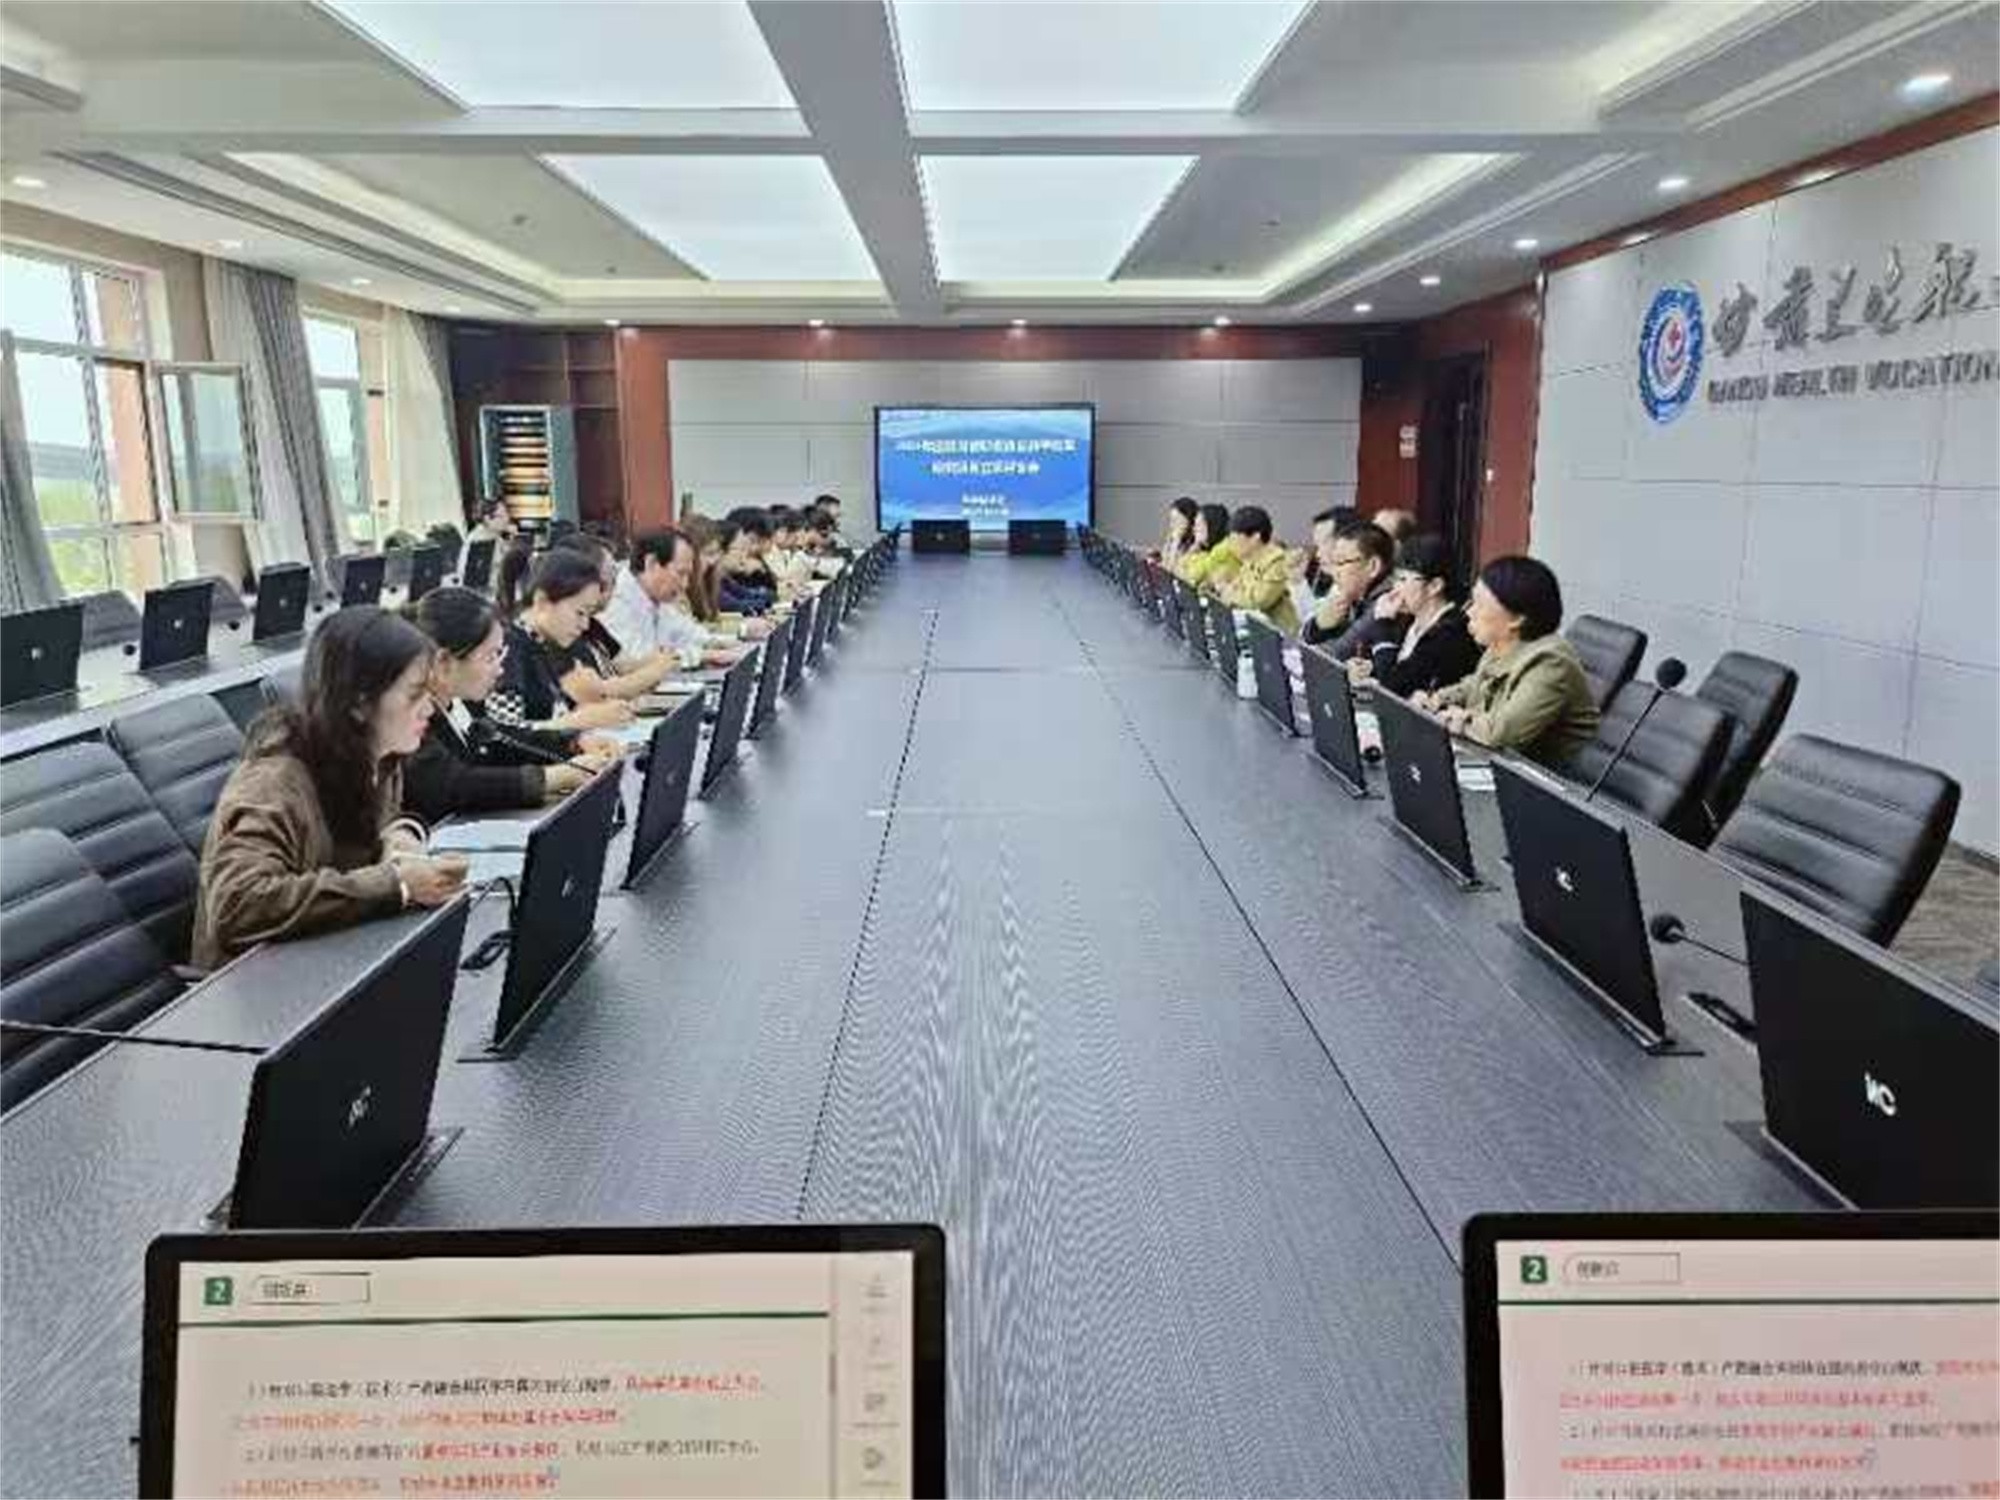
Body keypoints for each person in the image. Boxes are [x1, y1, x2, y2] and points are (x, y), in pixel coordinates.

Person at [192, 607, 467, 969]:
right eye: (414, 694)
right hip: (255, 983)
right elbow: (238, 904)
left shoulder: (379, 756)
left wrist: (400, 836)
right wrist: (395, 883)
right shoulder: (274, 783)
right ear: (359, 704)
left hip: (332, 955)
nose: (429, 708)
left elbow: (376, 828)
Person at [402, 587, 619, 824]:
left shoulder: (458, 703)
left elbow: (500, 739)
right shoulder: (410, 718)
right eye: (490, 657)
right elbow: (454, 784)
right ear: (444, 662)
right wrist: (555, 778)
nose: (499, 670)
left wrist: (572, 743)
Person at [1414, 555, 1600, 768]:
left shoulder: (1551, 661)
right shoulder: (1502, 642)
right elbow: (1473, 686)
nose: (1469, 612)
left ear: (1517, 618)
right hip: (1504, 763)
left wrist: (1449, 718)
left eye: (1479, 605)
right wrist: (1436, 700)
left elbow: (1501, 734)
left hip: (1552, 778)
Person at [488, 549, 635, 734]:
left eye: (589, 615)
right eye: (580, 613)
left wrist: (587, 723)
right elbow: (502, 734)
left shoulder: (544, 644)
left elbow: (553, 715)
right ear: (542, 602)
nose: (585, 625)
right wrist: (576, 722)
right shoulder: (506, 650)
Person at [546, 532, 680, 702]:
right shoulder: (565, 636)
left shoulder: (594, 625)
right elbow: (605, 691)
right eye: (611, 575)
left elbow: (624, 665)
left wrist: (659, 659)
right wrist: (656, 670)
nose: (615, 583)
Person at [1345, 534, 1480, 697]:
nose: (1395, 589)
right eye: (1395, 579)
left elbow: (1392, 689)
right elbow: (1401, 669)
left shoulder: (1450, 634)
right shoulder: (1411, 620)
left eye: (1403, 579)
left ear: (1434, 586)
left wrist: (1383, 626)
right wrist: (1371, 669)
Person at [599, 529, 746, 668]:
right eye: (680, 573)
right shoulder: (615, 598)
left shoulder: (656, 596)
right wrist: (702, 656)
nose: (685, 584)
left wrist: (720, 643)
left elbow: (685, 631)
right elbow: (636, 659)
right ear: (651, 563)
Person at [1302, 521, 1397, 653]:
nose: (1335, 572)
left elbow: (1336, 651)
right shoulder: (1355, 595)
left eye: (1341, 562)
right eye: (1334, 562)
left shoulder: (1388, 601)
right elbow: (1307, 637)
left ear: (1373, 566)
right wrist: (1319, 624)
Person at [1211, 505, 1301, 633]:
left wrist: (1228, 591)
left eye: (1234, 539)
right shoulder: (1249, 561)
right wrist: (1228, 590)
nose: (1230, 545)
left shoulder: (1277, 561)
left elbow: (1258, 601)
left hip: (1280, 634)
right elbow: (1234, 589)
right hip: (1255, 630)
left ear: (1255, 537)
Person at [1287, 506, 1347, 625]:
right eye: (1317, 545)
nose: (1317, 554)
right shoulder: (1337, 586)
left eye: (1323, 544)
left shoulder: (1355, 593)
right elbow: (1311, 618)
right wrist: (1298, 581)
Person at [717, 510, 782, 615]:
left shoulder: (725, 579)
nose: (744, 555)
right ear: (721, 552)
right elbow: (736, 605)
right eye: (741, 549)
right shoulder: (712, 581)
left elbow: (769, 594)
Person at [1175, 503, 1238, 589]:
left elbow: (1192, 575)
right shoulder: (1206, 551)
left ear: (1212, 525)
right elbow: (1179, 570)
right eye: (1195, 525)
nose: (1194, 529)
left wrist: (1193, 547)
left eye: (1199, 525)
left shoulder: (1224, 548)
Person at [1153, 496, 1200, 569]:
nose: (1171, 525)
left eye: (1176, 521)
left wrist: (1175, 542)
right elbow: (1164, 564)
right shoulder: (1179, 540)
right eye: (1171, 520)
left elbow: (1170, 569)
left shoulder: (1196, 545)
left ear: (1189, 521)